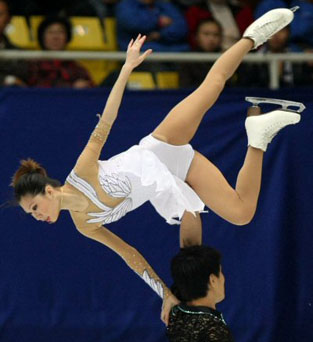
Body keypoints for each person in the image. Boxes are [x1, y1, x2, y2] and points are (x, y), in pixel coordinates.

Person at [11, 9, 302, 323]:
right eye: (31, 214)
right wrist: (165, 294)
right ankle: (257, 137)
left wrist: (126, 68)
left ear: (50, 190)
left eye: (35, 207)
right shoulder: (84, 224)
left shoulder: (81, 173)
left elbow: (107, 120)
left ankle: (252, 36)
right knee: (241, 214)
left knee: (212, 86)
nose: (37, 216)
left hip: (162, 147)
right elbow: (130, 255)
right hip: (171, 182)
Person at [27, 16, 94, 89]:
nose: (55, 37)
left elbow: (92, 89)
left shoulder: (76, 69)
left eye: (60, 32)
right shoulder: (32, 67)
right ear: (42, 37)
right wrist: (71, 88)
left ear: (67, 37)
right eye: (50, 32)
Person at [115, 0, 189, 52]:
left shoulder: (163, 4)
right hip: (139, 53)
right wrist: (158, 21)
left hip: (170, 49)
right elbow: (132, 23)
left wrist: (160, 34)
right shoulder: (126, 5)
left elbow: (182, 27)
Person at [179, 18, 223, 88]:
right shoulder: (188, 60)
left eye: (216, 35)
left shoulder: (227, 58)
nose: (211, 39)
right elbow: (185, 88)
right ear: (196, 37)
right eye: (206, 34)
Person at [0, 0, 29, 86]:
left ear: (8, 19)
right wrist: (7, 79)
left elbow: (21, 77)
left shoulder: (17, 52)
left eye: (0, 14)